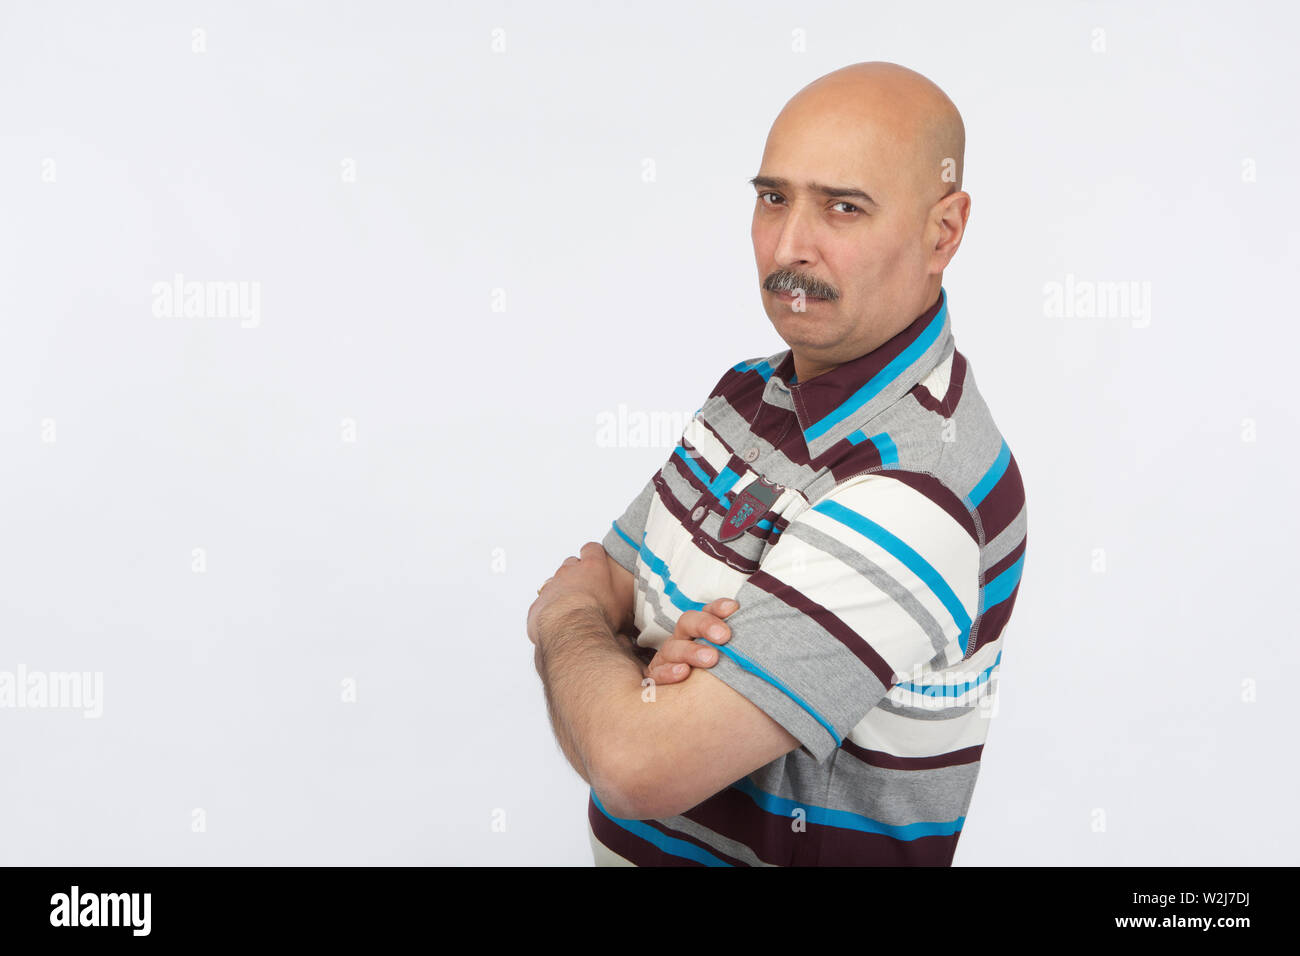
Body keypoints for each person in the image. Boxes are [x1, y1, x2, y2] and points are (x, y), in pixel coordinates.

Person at [528, 61, 1027, 866]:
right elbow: (611, 587)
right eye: (773, 198)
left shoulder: (915, 488)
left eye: (844, 206)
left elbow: (631, 764)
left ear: (944, 231)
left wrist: (562, 624)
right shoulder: (751, 390)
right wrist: (622, 654)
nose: (791, 245)